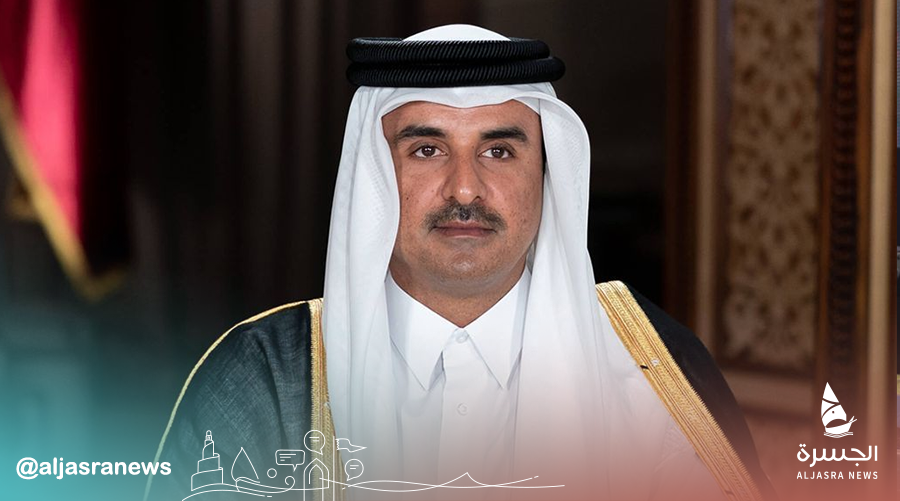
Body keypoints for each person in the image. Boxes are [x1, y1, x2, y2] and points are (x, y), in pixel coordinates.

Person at [145, 25, 776, 501]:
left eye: (499, 151)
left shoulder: (657, 364)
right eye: (426, 149)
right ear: (373, 177)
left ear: (546, 176)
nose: (465, 188)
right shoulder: (266, 377)